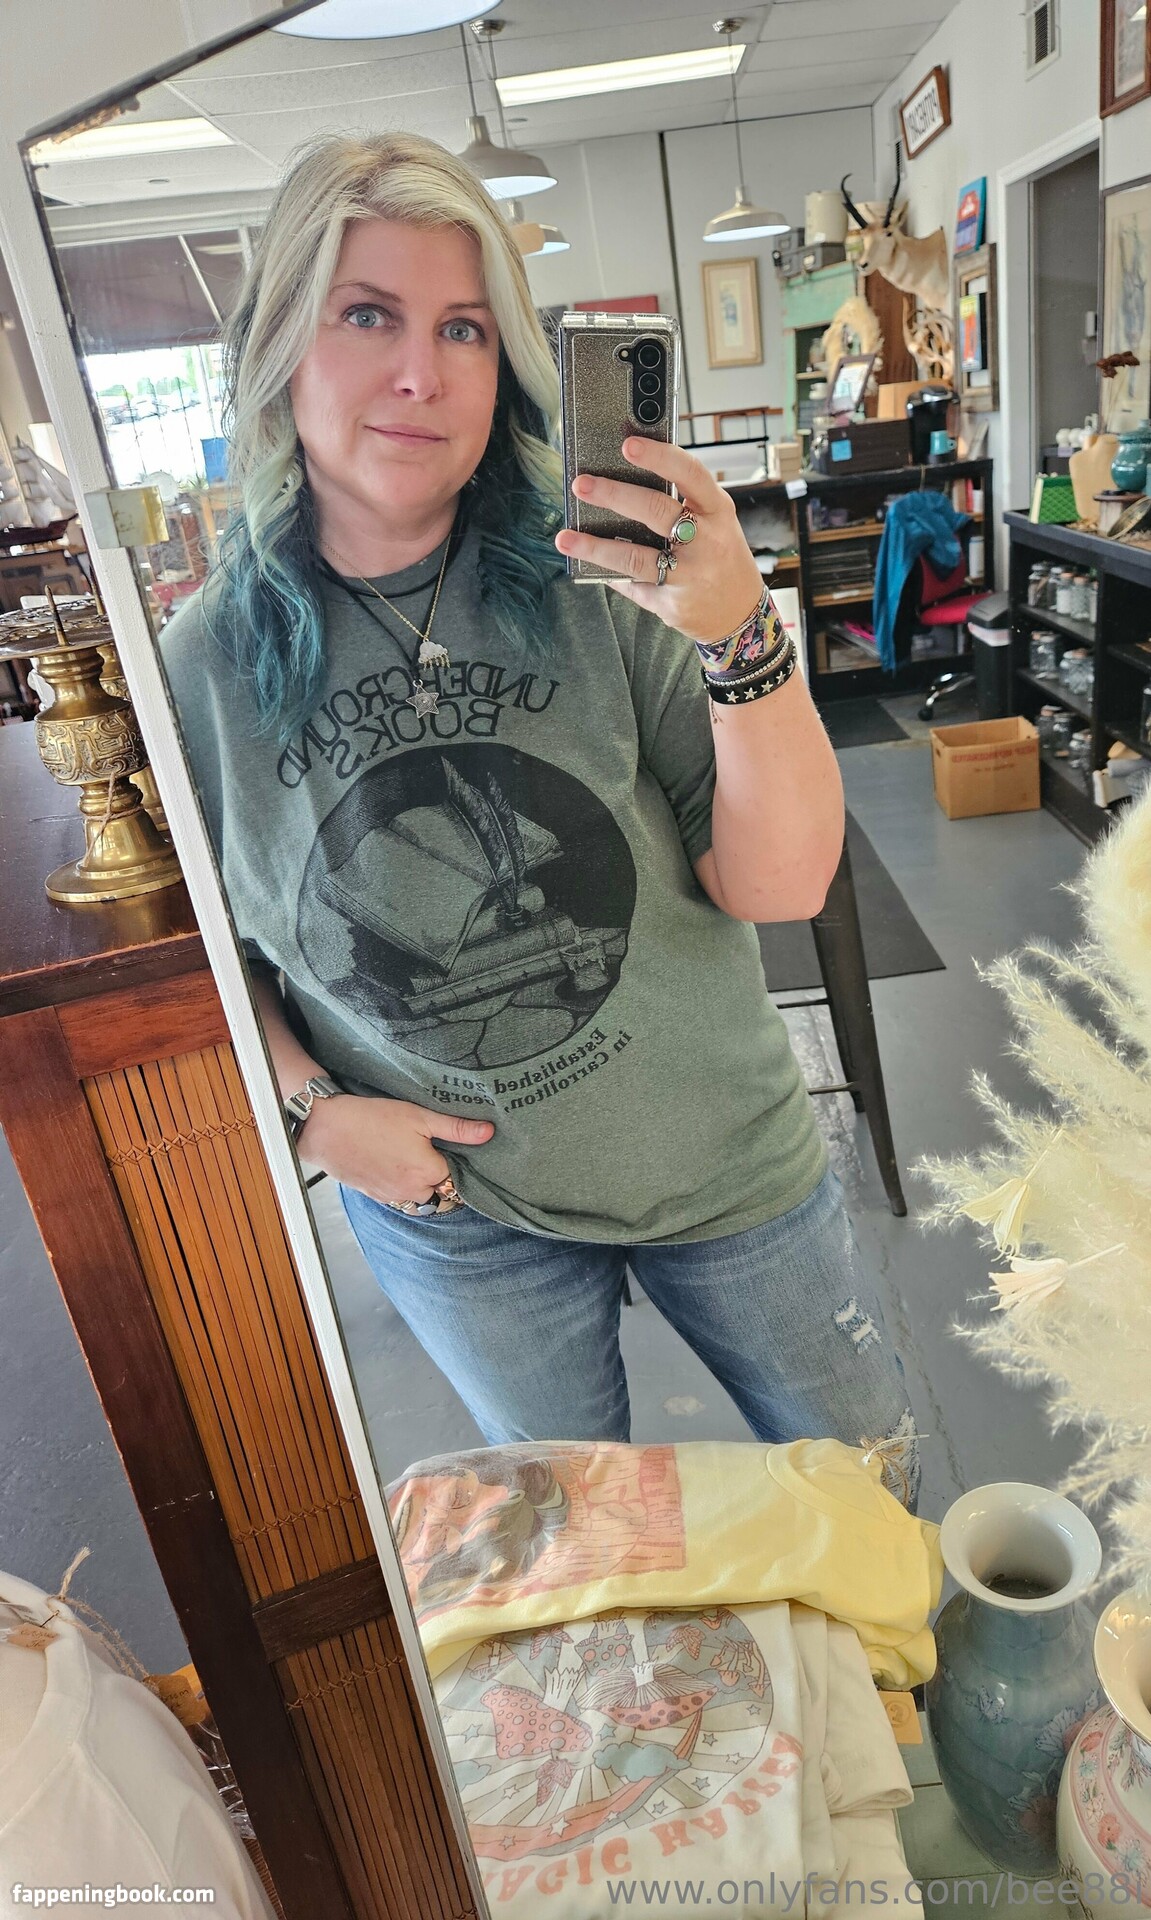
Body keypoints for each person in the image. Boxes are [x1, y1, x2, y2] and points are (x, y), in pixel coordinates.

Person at [163, 131, 920, 1506]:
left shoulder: (604, 577)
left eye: (463, 327)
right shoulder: (202, 667)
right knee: (577, 1551)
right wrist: (315, 1111)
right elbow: (209, 961)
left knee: (875, 1505)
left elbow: (782, 882)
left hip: (723, 1163)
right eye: (367, 315)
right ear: (278, 347)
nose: (421, 373)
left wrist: (739, 634)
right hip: (462, 1217)